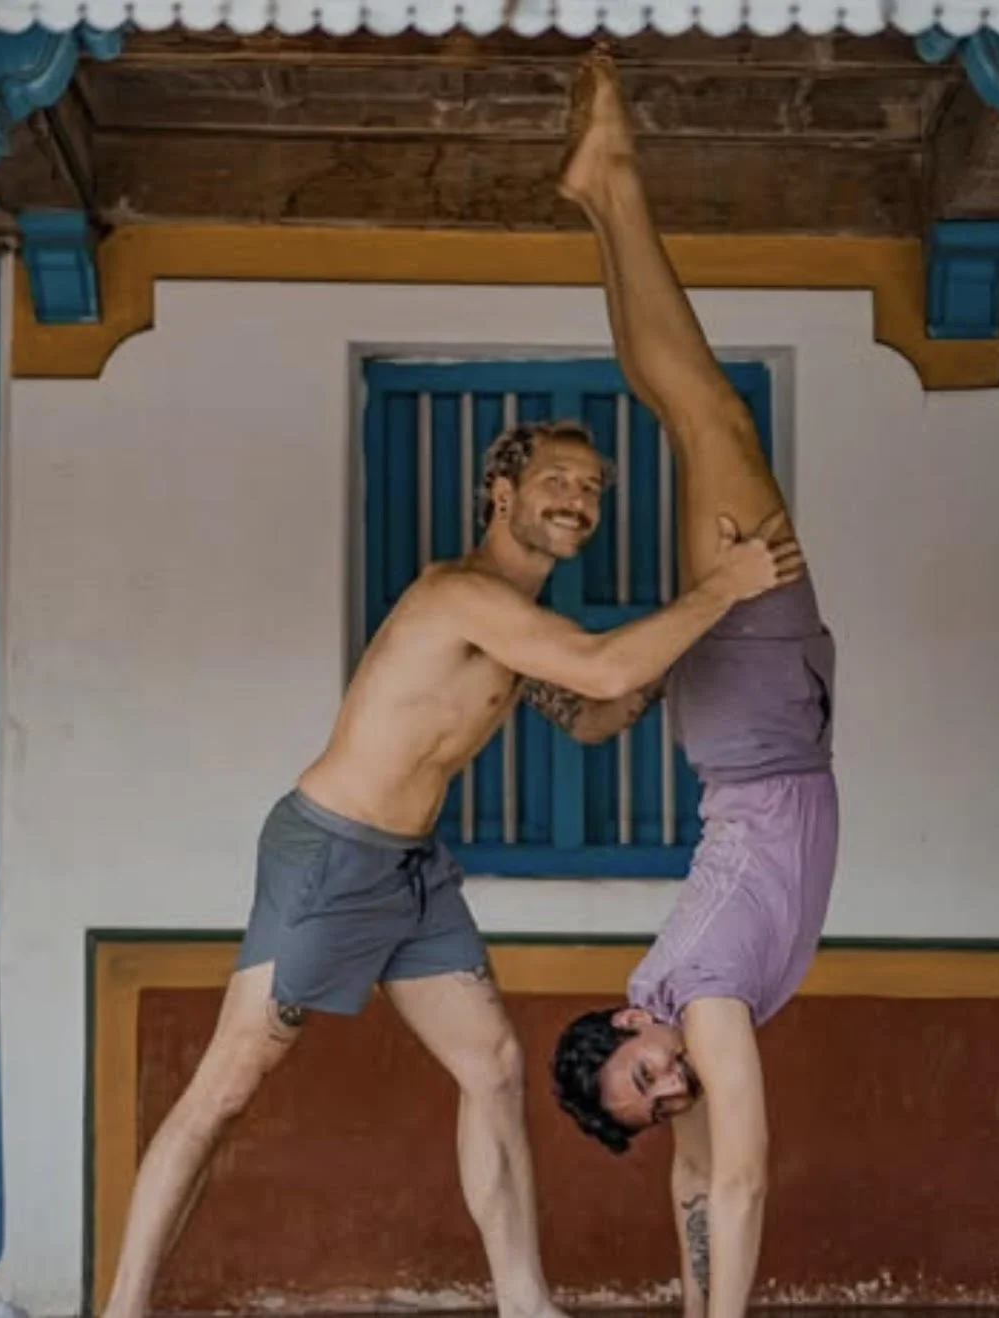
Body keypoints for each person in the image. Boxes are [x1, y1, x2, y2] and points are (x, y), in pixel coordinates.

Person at [101, 407, 803, 1318]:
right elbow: (595, 671)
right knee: (225, 1088)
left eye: (592, 488)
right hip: (330, 855)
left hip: (411, 871)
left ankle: (523, 1304)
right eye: (558, 479)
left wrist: (690, 650)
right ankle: (120, 1308)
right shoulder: (459, 594)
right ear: (499, 492)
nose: (579, 499)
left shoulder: (517, 624)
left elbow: (594, 714)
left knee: (494, 1065)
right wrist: (723, 588)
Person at [549, 50, 839, 1318]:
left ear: (632, 1017)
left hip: (762, 720)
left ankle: (615, 181)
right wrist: (689, 1299)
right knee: (687, 413)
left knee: (709, 408)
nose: (673, 1089)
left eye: (648, 1073)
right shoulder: (677, 1012)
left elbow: (749, 1179)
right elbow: (693, 1181)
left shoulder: (706, 996)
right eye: (659, 1097)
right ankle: (605, 192)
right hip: (742, 732)